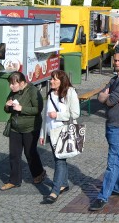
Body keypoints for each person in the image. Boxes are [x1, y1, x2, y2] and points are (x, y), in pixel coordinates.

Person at [89, 50, 119, 211]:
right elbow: (100, 97)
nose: (116, 63)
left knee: (113, 162)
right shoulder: (115, 78)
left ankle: (103, 197)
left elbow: (110, 101)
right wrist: (106, 97)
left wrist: (108, 97)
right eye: (115, 60)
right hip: (112, 123)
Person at [39, 70, 80, 204]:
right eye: (51, 79)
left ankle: (55, 191)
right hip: (52, 132)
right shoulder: (50, 94)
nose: (52, 81)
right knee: (59, 159)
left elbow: (75, 114)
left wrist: (58, 115)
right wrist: (42, 133)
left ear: (62, 81)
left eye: (55, 79)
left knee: (59, 161)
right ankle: (63, 184)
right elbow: (45, 115)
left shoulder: (70, 93)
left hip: (64, 132)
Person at [1, 71, 46, 191]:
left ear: (21, 83)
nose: (11, 86)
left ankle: (39, 173)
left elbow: (38, 109)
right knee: (14, 154)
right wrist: (7, 106)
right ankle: (14, 180)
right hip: (15, 127)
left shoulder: (33, 91)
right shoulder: (13, 93)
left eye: (13, 84)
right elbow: (7, 110)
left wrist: (22, 109)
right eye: (10, 84)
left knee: (29, 152)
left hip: (30, 127)